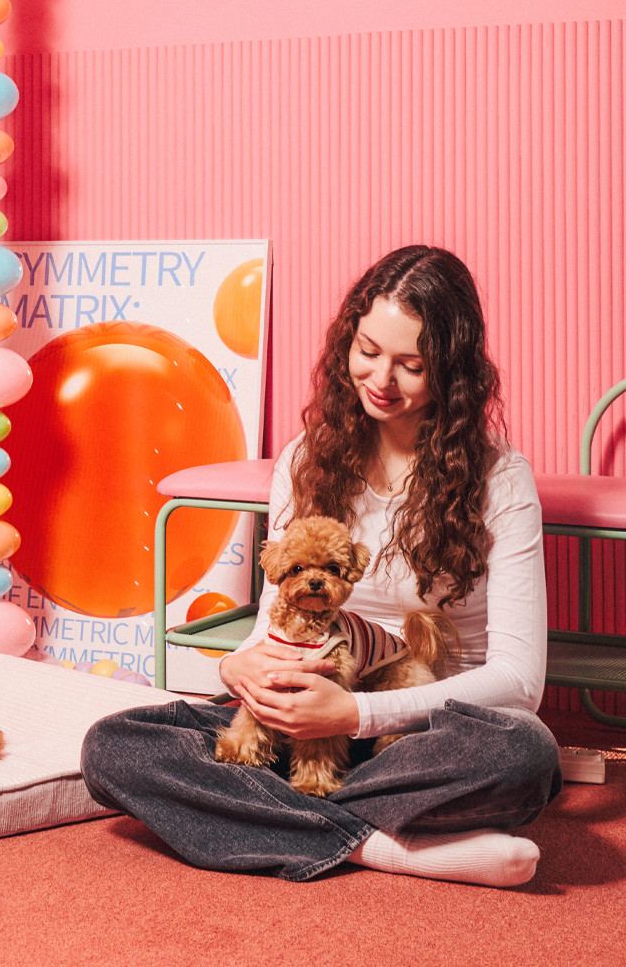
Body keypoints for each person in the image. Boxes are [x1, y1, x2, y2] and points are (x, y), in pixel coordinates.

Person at [80, 245, 562, 887]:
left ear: (452, 371)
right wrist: (236, 666)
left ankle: (272, 821)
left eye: (411, 365)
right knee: (115, 746)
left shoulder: (501, 478)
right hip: (299, 713)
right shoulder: (307, 458)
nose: (381, 381)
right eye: (367, 351)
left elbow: (519, 681)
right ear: (347, 341)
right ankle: (385, 847)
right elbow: (270, 624)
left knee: (523, 753)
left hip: (422, 732)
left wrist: (355, 717)